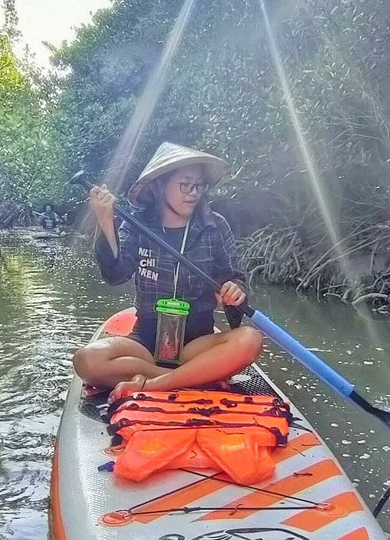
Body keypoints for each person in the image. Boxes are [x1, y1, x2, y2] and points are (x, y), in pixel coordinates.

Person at [73, 142, 263, 400]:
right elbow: (116, 275)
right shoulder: (137, 225)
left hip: (197, 344)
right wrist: (106, 221)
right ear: (160, 186)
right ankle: (192, 376)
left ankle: (153, 384)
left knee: (250, 339)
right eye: (185, 184)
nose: (194, 192)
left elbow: (234, 279)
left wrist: (235, 291)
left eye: (198, 185)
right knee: (87, 360)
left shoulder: (215, 226)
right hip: (145, 342)